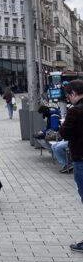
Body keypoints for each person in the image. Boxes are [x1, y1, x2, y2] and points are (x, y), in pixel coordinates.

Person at [59, 79, 83, 253]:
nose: (69, 99)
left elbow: (64, 133)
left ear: (74, 93)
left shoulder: (75, 111)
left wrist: (63, 123)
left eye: (69, 96)